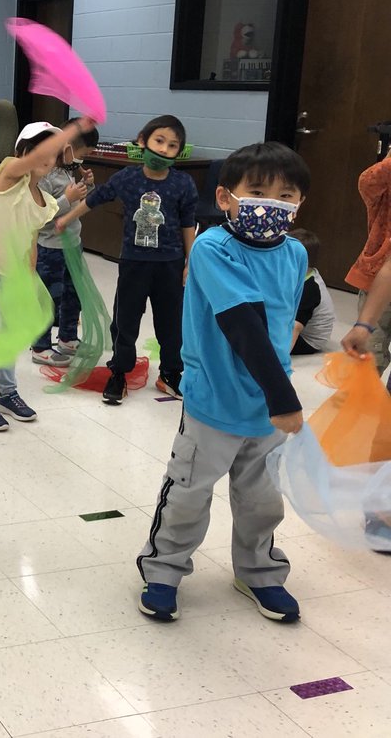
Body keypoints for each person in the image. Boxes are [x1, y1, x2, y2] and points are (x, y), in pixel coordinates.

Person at [136, 142, 310, 623]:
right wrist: (284, 397)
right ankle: (164, 570)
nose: (270, 203)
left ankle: (259, 574)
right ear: (226, 196)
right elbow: (244, 324)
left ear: (299, 205)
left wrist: (278, 389)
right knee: (189, 491)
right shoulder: (214, 248)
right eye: (256, 191)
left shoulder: (294, 253)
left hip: (268, 406)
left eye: (285, 195)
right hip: (216, 399)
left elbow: (281, 319)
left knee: (262, 500)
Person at [57, 115, 198, 404]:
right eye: (159, 141)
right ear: (142, 141)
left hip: (170, 265)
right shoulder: (128, 178)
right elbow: (95, 200)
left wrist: (190, 262)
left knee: (171, 322)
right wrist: (66, 218)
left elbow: (188, 224)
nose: (164, 149)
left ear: (178, 152)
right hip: (134, 263)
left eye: (172, 145)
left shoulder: (183, 184)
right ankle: (119, 371)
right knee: (126, 320)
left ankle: (170, 372)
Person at [0, 118, 92, 431]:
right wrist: (70, 132)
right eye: (40, 154)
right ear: (24, 152)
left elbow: (31, 239)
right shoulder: (7, 177)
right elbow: (26, 163)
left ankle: (7, 393)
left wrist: (29, 279)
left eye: (52, 157)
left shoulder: (45, 200)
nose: (46, 162)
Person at [31, 119, 100, 365]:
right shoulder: (44, 174)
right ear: (67, 146)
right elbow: (41, 216)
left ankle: (67, 337)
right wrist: (67, 199)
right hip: (51, 248)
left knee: (75, 293)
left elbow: (81, 206)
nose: (83, 160)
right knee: (49, 297)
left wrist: (87, 186)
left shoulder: (68, 170)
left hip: (73, 243)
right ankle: (40, 346)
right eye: (83, 154)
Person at [344, 155, 391, 374]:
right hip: (376, 280)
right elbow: (367, 181)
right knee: (371, 354)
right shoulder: (381, 187)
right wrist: (364, 325)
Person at [288, 228, 334, 355]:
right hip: (297, 326)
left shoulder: (309, 288)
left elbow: (295, 328)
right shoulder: (302, 273)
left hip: (308, 340)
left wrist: (280, 358)